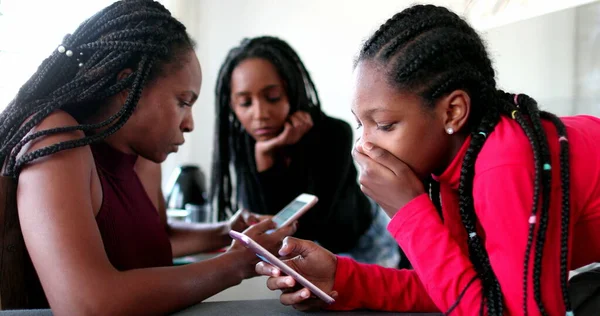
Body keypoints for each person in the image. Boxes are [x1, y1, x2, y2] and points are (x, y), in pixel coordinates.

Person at [255, 4, 600, 315]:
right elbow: (457, 287)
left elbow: (511, 311)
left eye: (385, 125)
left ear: (453, 111)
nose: (364, 145)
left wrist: (408, 210)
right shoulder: (454, 170)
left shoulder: (503, 164)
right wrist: (342, 277)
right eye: (361, 125)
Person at [0, 1, 295, 313]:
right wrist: (234, 264)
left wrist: (227, 231)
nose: (189, 123)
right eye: (183, 101)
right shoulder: (57, 138)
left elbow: (154, 238)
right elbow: (86, 304)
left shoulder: (142, 159)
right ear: (129, 87)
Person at [210, 36, 400, 267]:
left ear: (291, 90)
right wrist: (265, 157)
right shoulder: (243, 143)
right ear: (231, 105)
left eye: (272, 98)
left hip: (360, 241)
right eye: (245, 103)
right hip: (300, 250)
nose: (259, 114)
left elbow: (312, 226)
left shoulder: (334, 133)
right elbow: (263, 232)